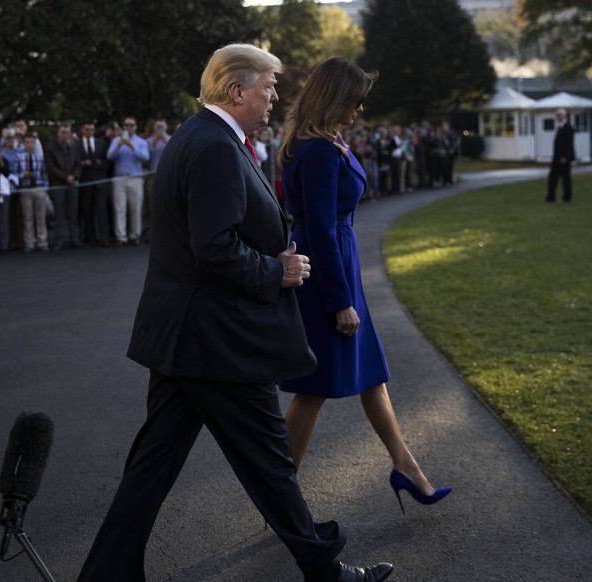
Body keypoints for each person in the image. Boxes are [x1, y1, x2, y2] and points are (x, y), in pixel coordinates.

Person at [77, 44, 393, 582]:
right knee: (269, 460)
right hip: (217, 338)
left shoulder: (199, 135)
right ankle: (324, 568)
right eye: (268, 86)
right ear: (236, 91)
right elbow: (216, 249)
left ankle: (106, 573)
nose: (275, 96)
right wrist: (280, 270)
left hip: (185, 337)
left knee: (152, 466)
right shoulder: (217, 147)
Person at [277, 57, 451, 517]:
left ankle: (407, 467)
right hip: (328, 272)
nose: (359, 109)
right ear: (334, 97)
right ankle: (280, 494)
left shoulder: (325, 141)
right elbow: (319, 229)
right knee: (314, 388)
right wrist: (340, 302)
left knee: (371, 374)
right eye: (354, 101)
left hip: (339, 264)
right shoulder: (316, 150)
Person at [106, 116, 149, 246]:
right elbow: (109, 156)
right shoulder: (116, 140)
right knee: (119, 208)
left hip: (135, 178)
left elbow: (146, 157)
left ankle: (135, 235)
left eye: (131, 125)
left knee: (136, 208)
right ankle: (121, 236)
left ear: (135, 127)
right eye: (126, 125)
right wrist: (119, 144)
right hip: (119, 178)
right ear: (123, 126)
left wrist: (132, 146)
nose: (128, 128)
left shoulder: (141, 142)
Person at [45, 123, 82, 250]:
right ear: (58, 133)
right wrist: (65, 177)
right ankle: (60, 238)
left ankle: (75, 237)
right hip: (59, 184)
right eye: (63, 132)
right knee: (60, 213)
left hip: (72, 183)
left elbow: (78, 164)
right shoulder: (51, 147)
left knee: (73, 212)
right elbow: (51, 167)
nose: (65, 135)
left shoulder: (74, 146)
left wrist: (74, 176)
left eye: (67, 132)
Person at [15, 133, 50, 252]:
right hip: (25, 189)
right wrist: (23, 176)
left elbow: (45, 173)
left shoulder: (40, 157)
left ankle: (42, 241)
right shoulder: (19, 157)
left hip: (38, 188)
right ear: (23, 144)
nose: (29, 144)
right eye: (27, 142)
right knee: (28, 217)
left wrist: (45, 188)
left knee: (41, 217)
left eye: (31, 142)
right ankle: (29, 242)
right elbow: (15, 174)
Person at [77, 121, 110, 246]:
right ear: (82, 130)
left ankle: (104, 237)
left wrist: (99, 163)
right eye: (87, 129)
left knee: (102, 210)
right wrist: (83, 163)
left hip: (100, 180)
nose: (89, 132)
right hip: (85, 181)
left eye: (91, 129)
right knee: (87, 210)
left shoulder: (101, 144)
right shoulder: (77, 145)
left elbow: (108, 161)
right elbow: (75, 161)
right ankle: (90, 237)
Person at [546, 107, 575, 203]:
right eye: (557, 115)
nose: (557, 117)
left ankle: (567, 198)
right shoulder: (559, 127)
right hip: (556, 158)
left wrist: (565, 157)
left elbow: (568, 144)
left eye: (559, 115)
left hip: (564, 158)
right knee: (552, 178)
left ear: (563, 116)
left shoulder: (568, 127)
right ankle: (551, 197)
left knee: (565, 178)